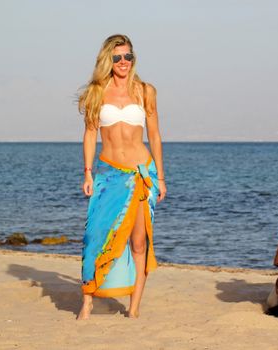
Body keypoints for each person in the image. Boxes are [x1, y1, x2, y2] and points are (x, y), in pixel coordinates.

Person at [76, 34, 166, 320]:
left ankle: (134, 307)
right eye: (117, 58)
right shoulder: (96, 92)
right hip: (111, 175)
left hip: (142, 173)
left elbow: (154, 135)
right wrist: (88, 172)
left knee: (139, 243)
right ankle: (87, 302)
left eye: (128, 56)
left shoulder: (145, 91)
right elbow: (90, 134)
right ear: (108, 60)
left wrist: (161, 178)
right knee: (95, 237)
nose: (123, 62)